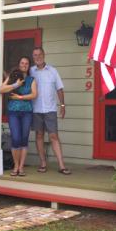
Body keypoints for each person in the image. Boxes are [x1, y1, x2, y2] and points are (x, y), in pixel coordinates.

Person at [30, 46, 70, 175]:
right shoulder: (31, 71)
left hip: (50, 109)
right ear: (33, 57)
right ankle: (42, 163)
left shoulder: (53, 71)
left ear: (44, 55)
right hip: (36, 110)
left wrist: (62, 105)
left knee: (53, 136)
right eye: (35, 55)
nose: (38, 57)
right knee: (39, 135)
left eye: (39, 54)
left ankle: (61, 165)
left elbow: (59, 89)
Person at [0, 56, 37, 176]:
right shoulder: (12, 77)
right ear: (19, 64)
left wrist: (20, 97)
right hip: (13, 112)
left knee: (24, 139)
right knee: (15, 139)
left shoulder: (32, 80)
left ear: (28, 66)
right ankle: (15, 165)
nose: (24, 65)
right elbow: (1, 89)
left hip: (27, 112)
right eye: (22, 63)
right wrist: (15, 85)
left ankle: (21, 167)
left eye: (26, 63)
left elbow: (34, 95)